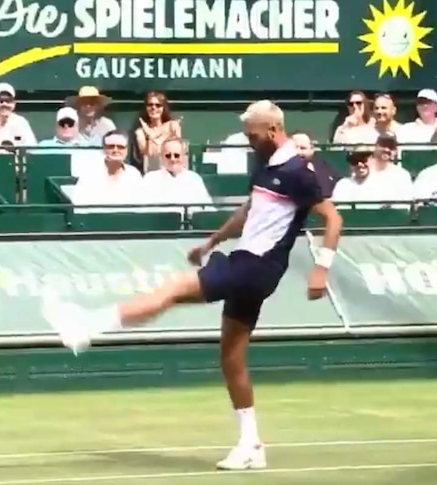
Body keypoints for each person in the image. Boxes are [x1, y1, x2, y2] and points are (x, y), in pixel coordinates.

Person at [41, 100, 342, 471]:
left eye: (252, 135)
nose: (249, 141)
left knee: (171, 291)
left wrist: (321, 270)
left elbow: (333, 219)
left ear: (272, 131)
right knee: (231, 358)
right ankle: (251, 444)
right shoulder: (265, 164)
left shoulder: (298, 171)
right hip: (247, 262)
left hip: (256, 267)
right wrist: (212, 241)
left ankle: (87, 326)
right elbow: (249, 212)